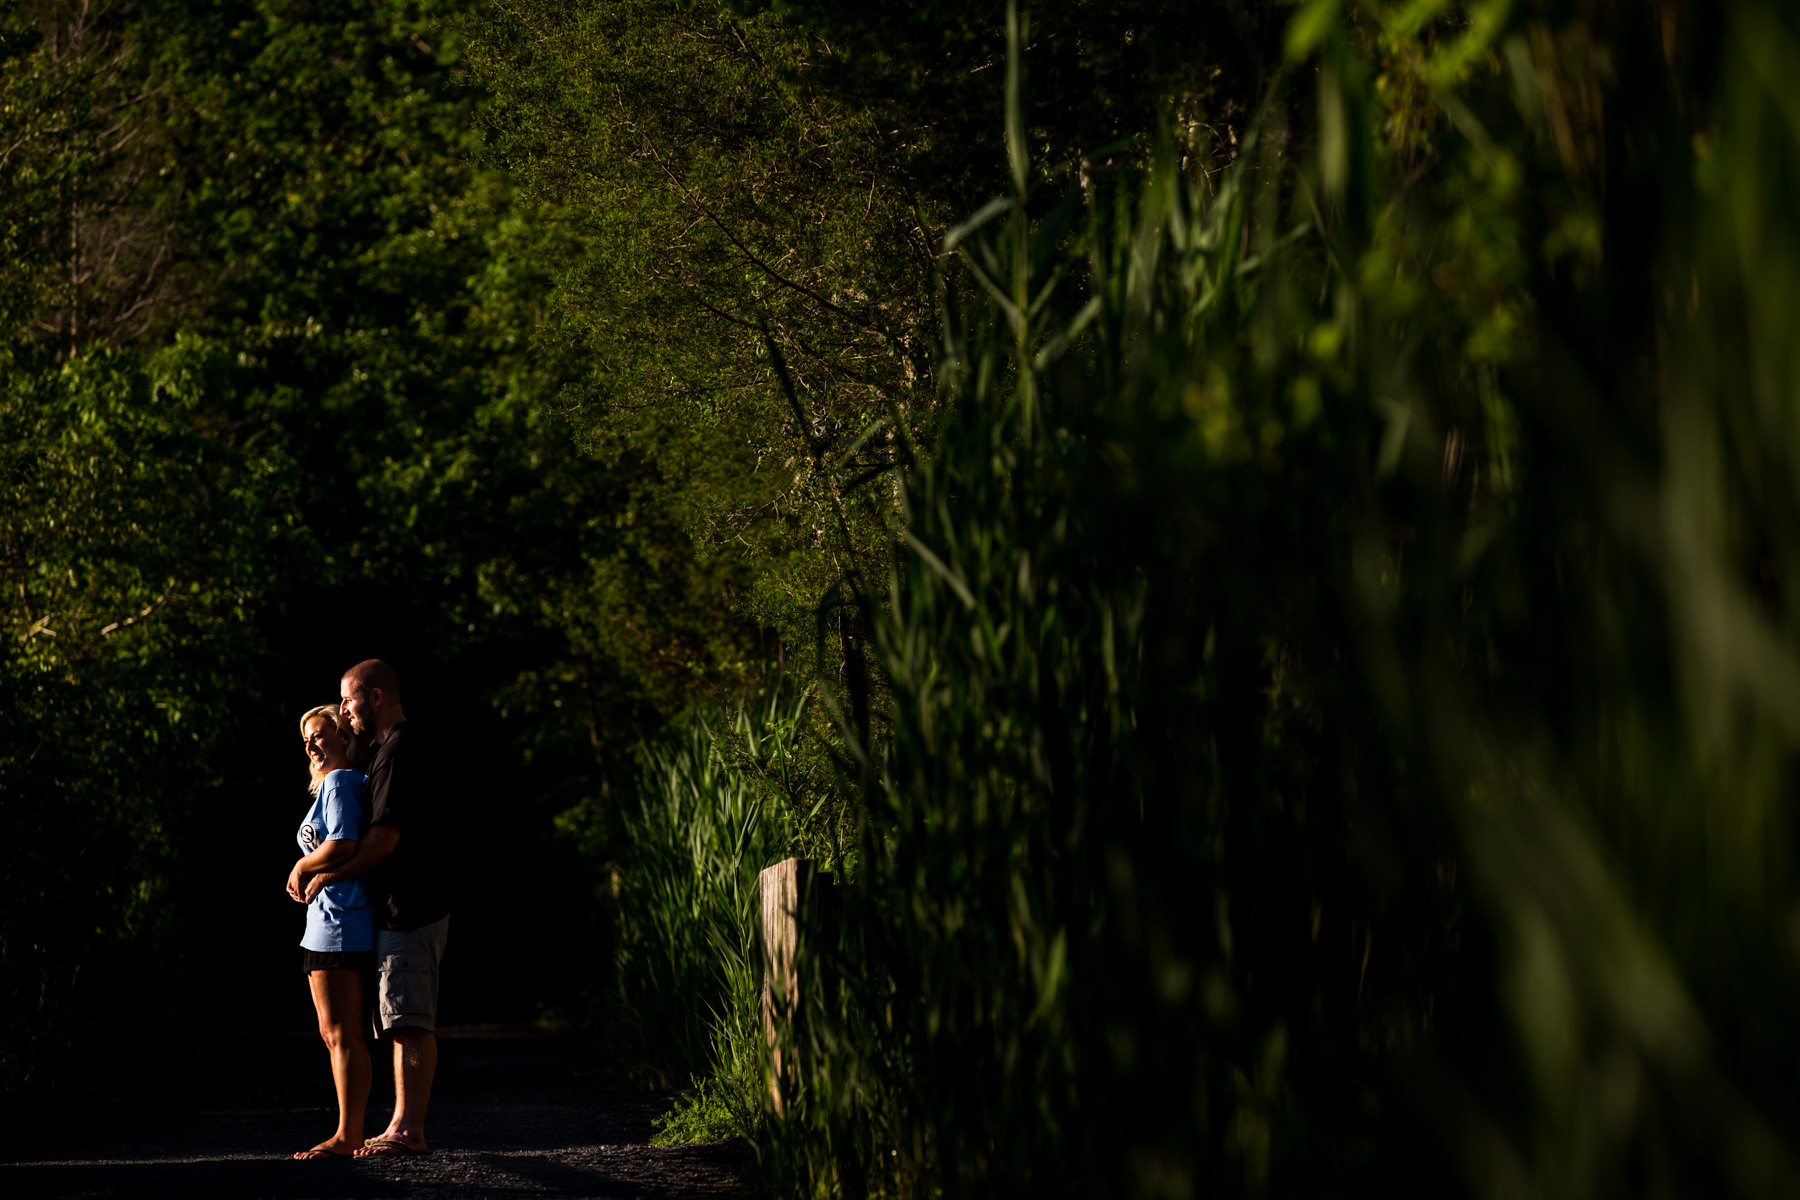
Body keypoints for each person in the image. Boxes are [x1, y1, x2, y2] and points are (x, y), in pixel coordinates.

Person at [303, 659, 451, 1158]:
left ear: (377, 697)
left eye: (348, 700)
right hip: (396, 906)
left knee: (408, 1020)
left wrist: (323, 874)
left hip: (411, 903)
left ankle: (407, 1131)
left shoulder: (398, 751)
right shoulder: (386, 753)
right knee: (396, 1019)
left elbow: (383, 841)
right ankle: (398, 1127)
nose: (345, 710)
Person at [286, 705, 373, 1160]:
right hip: (328, 925)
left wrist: (303, 863)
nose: (312, 745)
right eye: (307, 740)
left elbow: (343, 843)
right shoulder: (334, 785)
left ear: (343, 737)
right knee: (336, 1032)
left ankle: (347, 1135)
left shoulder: (340, 782)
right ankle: (349, 1131)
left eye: (320, 735)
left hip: (340, 923)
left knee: (342, 1033)